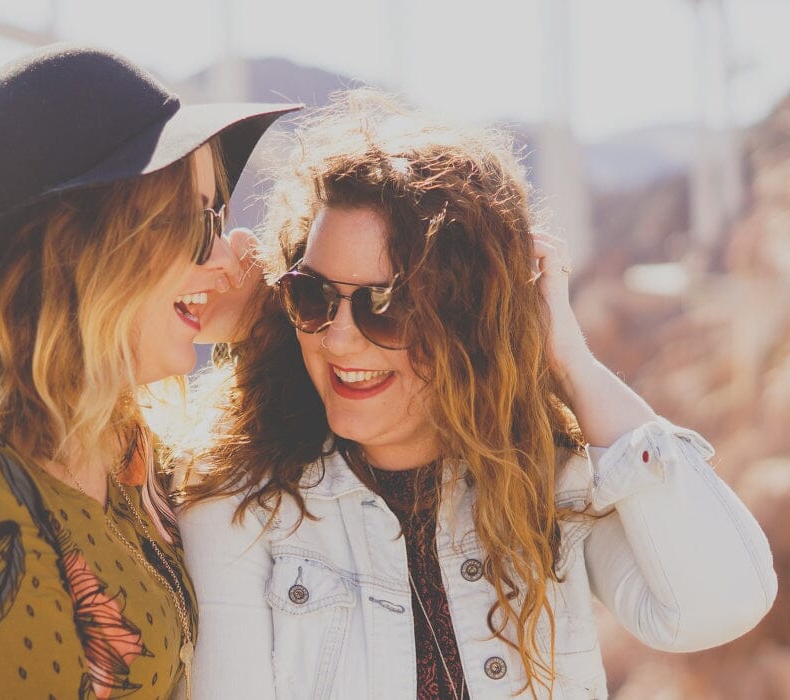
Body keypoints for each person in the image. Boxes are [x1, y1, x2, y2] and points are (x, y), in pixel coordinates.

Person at [176, 91, 778, 699]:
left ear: (467, 318)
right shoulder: (242, 507)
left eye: (385, 305)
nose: (339, 338)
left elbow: (719, 604)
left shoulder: (546, 479)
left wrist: (569, 358)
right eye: (313, 296)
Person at [0, 43, 298, 699]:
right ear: (79, 248)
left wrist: (266, 327)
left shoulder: (117, 437)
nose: (225, 255)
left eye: (219, 218)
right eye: (195, 221)